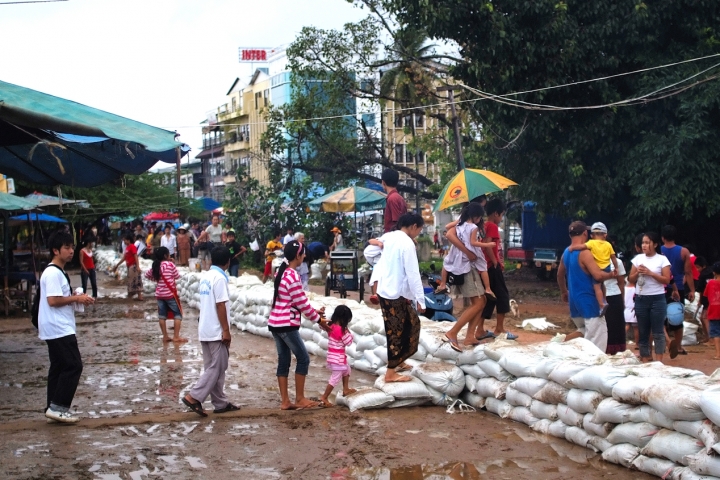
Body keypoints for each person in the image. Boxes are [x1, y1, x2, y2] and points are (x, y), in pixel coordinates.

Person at [40, 231, 95, 423]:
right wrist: (77, 298)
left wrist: (74, 296)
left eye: (72, 247)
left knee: (59, 366)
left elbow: (58, 297)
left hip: (55, 326)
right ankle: (58, 407)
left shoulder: (57, 271)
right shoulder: (53, 272)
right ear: (55, 250)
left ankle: (52, 407)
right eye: (67, 248)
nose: (71, 251)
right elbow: (53, 300)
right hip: (58, 327)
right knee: (73, 365)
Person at [268, 240, 326, 410]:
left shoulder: (282, 271)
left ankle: (285, 401)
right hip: (286, 324)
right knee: (303, 358)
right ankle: (300, 398)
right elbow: (301, 303)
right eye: (303, 253)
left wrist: (314, 312)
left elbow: (290, 300)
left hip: (276, 322)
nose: (305, 256)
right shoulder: (292, 275)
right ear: (298, 256)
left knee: (284, 360)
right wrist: (319, 320)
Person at [182, 246, 239, 416]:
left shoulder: (206, 277)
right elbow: (220, 304)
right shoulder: (220, 279)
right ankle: (194, 396)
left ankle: (220, 403)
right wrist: (226, 330)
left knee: (213, 367)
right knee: (217, 366)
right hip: (216, 330)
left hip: (205, 328)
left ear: (212, 260)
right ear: (228, 262)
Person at [373, 213, 426, 383]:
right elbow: (413, 273)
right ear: (413, 226)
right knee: (395, 332)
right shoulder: (406, 243)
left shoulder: (388, 237)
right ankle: (390, 373)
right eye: (419, 229)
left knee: (412, 323)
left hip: (389, 291)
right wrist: (421, 299)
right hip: (394, 293)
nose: (418, 233)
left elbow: (369, 252)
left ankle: (399, 361)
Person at [440, 203, 492, 349]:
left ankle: (470, 336)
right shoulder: (468, 226)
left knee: (481, 301)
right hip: (468, 267)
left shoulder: (461, 225)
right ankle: (453, 332)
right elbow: (450, 234)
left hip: (464, 266)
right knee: (479, 303)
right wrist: (469, 252)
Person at [557, 221, 615, 352]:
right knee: (597, 343)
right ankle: (592, 368)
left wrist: (564, 292)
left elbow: (560, 275)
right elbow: (598, 276)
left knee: (584, 331)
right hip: (590, 303)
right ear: (585, 233)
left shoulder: (566, 252)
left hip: (574, 303)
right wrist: (612, 275)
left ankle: (562, 342)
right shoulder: (585, 253)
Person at [627, 232, 672, 362]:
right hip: (641, 298)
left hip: (657, 298)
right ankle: (646, 357)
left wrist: (650, 273)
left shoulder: (662, 260)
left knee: (658, 331)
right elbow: (630, 279)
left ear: (655, 244)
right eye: (643, 243)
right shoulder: (638, 259)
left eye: (647, 242)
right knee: (643, 331)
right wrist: (637, 273)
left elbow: (667, 280)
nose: (644, 245)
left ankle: (659, 359)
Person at [479, 199, 516, 340]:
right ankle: (499, 329)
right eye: (502, 215)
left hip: (486, 267)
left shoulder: (484, 225)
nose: (502, 218)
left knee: (490, 298)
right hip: (492, 267)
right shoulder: (492, 226)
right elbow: (488, 244)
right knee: (502, 296)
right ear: (496, 214)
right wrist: (495, 262)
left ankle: (480, 329)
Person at [568, 222, 619, 316]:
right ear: (605, 235)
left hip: (598, 268)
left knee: (596, 287)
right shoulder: (608, 244)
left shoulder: (591, 243)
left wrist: (572, 248)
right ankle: (604, 299)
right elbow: (613, 257)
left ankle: (601, 304)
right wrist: (615, 268)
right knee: (603, 284)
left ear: (592, 235)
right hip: (607, 267)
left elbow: (581, 246)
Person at [660, 225, 695, 358]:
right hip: (678, 288)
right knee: (677, 317)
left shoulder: (658, 250)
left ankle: (668, 342)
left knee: (659, 318)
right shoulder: (684, 251)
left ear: (662, 238)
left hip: (661, 287)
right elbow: (688, 272)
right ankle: (678, 346)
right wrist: (691, 290)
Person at [145, 246, 187, 343]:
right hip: (170, 294)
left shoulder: (156, 266)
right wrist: (173, 263)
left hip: (159, 295)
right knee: (178, 314)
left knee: (162, 316)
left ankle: (165, 336)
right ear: (166, 255)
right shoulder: (170, 265)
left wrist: (156, 279)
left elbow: (147, 275)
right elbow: (177, 276)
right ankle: (176, 336)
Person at [318, 305, 357, 408]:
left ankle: (345, 389)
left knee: (347, 370)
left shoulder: (330, 326)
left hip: (333, 357)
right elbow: (348, 342)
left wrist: (321, 316)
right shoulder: (342, 330)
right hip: (338, 359)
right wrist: (349, 332)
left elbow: (321, 325)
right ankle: (324, 397)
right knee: (334, 379)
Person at [603, 236, 626, 354]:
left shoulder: (618, 262)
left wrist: (622, 300)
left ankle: (616, 351)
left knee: (615, 324)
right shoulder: (592, 261)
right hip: (600, 296)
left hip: (614, 295)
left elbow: (621, 283)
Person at [113, 233, 144, 301]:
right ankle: (137, 296)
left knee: (134, 280)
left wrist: (138, 266)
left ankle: (133, 296)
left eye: (125, 240)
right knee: (135, 280)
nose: (124, 241)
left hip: (133, 266)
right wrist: (117, 265)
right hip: (129, 266)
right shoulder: (127, 248)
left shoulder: (132, 247)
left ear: (129, 240)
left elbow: (136, 257)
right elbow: (124, 258)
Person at [702, 262, 720, 360]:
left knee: (716, 333)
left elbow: (706, 296)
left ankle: (718, 354)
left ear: (714, 273)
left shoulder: (711, 283)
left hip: (714, 310)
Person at [382, 168, 408, 233]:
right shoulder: (399, 198)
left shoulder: (392, 198)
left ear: (383, 182)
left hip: (393, 238)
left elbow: (396, 223)